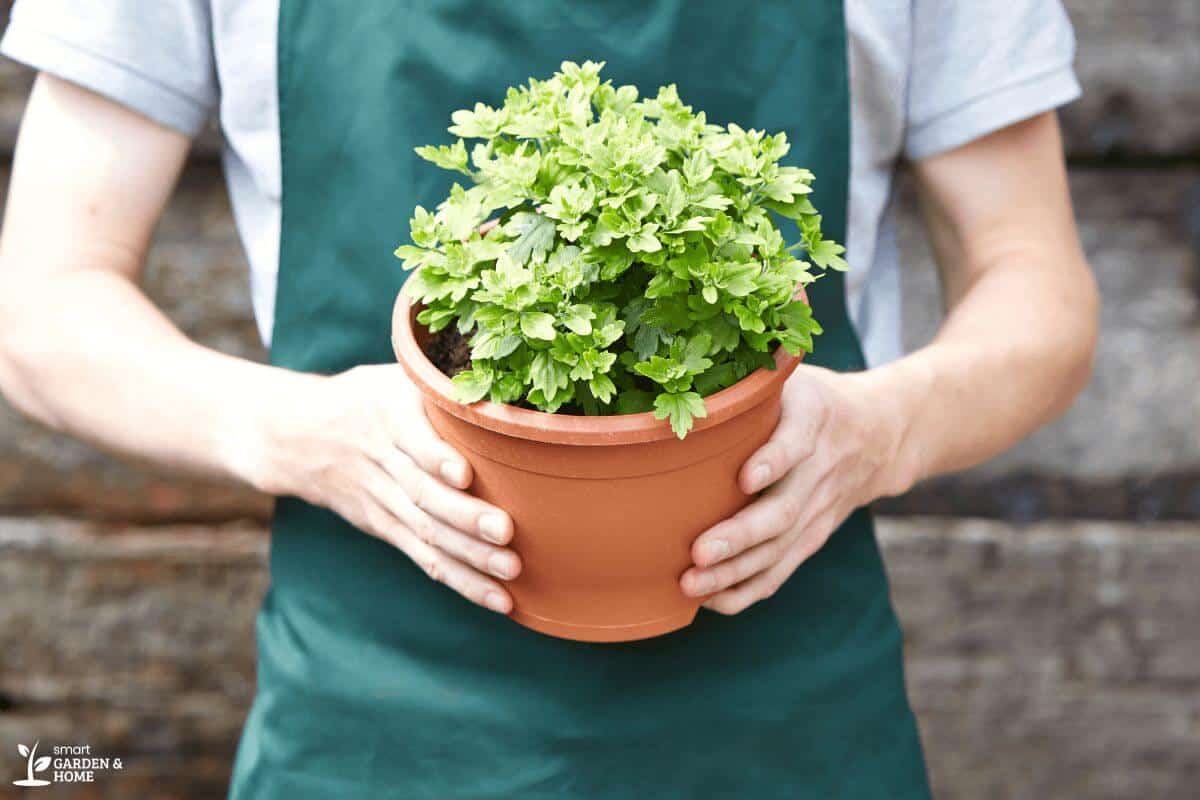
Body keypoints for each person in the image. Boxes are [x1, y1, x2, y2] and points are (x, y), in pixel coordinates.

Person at [0, 1, 1097, 798]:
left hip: (788, 731)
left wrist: (884, 429)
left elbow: (1036, 286)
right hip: (377, 731)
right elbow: (40, 305)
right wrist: (298, 433)